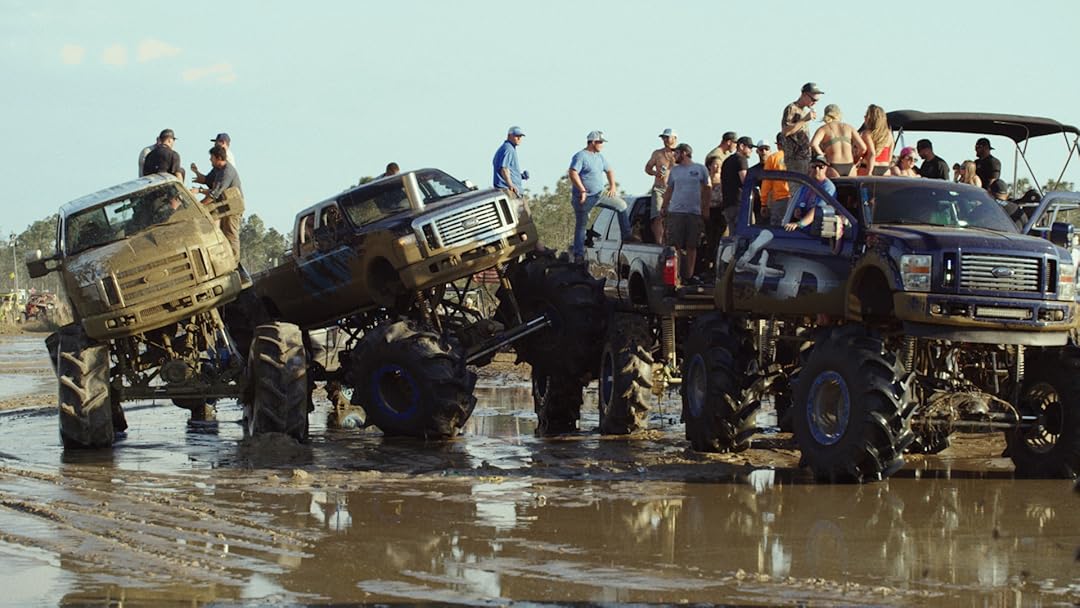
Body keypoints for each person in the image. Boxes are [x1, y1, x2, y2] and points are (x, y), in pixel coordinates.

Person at [568, 131, 631, 263]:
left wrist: (612, 186)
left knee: (621, 206)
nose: (602, 145)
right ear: (592, 142)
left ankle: (627, 237)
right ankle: (578, 254)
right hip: (584, 197)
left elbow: (609, 170)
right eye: (600, 142)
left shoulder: (600, 157)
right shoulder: (581, 156)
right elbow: (573, 173)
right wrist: (582, 190)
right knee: (582, 225)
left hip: (599, 195)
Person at [659, 143, 710, 284]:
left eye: (677, 153)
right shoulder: (674, 171)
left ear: (685, 153)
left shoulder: (700, 169)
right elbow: (669, 190)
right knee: (675, 245)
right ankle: (677, 274)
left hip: (694, 212)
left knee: (692, 245)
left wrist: (705, 208)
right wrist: (664, 206)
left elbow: (707, 189)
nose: (674, 156)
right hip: (676, 212)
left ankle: (690, 275)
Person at [195, 145, 243, 260]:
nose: (210, 160)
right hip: (223, 207)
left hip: (233, 208)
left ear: (218, 158)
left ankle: (234, 262)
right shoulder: (218, 170)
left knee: (230, 235)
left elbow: (214, 193)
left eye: (212, 158)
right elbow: (208, 182)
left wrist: (200, 206)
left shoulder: (227, 172)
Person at [810, 104, 866, 177]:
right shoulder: (849, 128)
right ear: (839, 114)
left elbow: (813, 144)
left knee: (833, 188)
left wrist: (822, 157)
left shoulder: (824, 128)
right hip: (850, 165)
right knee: (851, 188)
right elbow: (863, 148)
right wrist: (856, 159)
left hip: (833, 166)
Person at [780, 83, 824, 176]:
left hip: (805, 158)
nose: (814, 103)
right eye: (813, 100)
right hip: (795, 159)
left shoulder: (804, 110)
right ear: (804, 95)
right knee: (797, 188)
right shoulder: (792, 108)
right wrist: (804, 120)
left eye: (817, 101)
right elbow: (785, 131)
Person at [785, 155, 837, 232]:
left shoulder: (828, 187)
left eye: (820, 166)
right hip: (803, 229)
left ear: (826, 168)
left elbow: (817, 210)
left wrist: (799, 224)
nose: (817, 169)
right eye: (814, 166)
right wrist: (798, 210)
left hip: (819, 231)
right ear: (810, 167)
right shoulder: (806, 185)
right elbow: (799, 204)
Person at [644, 128, 679, 243]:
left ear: (674, 138)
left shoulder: (681, 153)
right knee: (657, 216)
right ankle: (659, 243)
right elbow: (648, 168)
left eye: (667, 137)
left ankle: (672, 242)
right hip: (660, 188)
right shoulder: (658, 153)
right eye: (663, 137)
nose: (665, 140)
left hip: (675, 190)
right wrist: (655, 173)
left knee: (674, 217)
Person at [720, 136, 755, 234]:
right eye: (750, 147)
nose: (751, 151)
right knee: (747, 234)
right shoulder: (741, 159)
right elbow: (745, 181)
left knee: (733, 235)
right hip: (740, 204)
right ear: (742, 146)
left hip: (728, 204)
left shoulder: (727, 161)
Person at [760, 132, 790, 226]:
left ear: (778, 144)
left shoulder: (773, 158)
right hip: (795, 198)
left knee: (777, 229)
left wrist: (764, 203)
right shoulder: (796, 158)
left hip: (779, 199)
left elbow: (766, 183)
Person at [857, 104, 893, 176]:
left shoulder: (867, 134)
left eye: (866, 115)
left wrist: (869, 172)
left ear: (870, 118)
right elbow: (890, 155)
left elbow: (872, 153)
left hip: (868, 167)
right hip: (885, 168)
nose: (864, 117)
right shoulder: (889, 134)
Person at [493, 126, 527, 197]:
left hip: (509, 189)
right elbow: (504, 169)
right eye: (516, 136)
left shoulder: (508, 148)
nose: (519, 138)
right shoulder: (508, 149)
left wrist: (520, 176)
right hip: (508, 190)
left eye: (520, 136)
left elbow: (508, 170)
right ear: (509, 136)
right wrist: (511, 184)